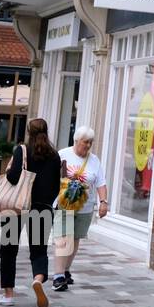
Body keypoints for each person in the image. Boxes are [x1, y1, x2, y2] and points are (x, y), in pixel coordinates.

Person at [0, 118, 63, 307]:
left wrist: (9, 169)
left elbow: (14, 177)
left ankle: (8, 295)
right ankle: (38, 279)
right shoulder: (54, 155)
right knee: (39, 250)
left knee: (8, 249)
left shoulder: (22, 150)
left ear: (28, 131)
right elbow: (56, 186)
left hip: (16, 206)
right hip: (43, 208)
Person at [52, 125, 108, 292]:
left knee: (75, 239)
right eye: (85, 142)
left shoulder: (94, 160)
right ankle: (58, 276)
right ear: (76, 141)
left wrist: (103, 201)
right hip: (64, 204)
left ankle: (66, 269)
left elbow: (100, 182)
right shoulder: (63, 154)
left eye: (90, 142)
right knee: (63, 238)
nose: (88, 146)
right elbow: (52, 177)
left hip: (85, 206)